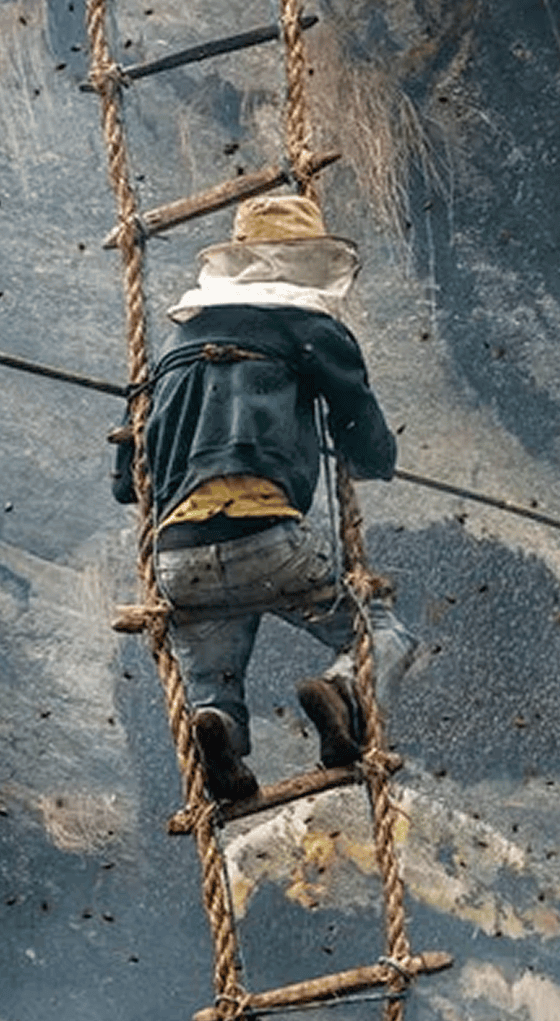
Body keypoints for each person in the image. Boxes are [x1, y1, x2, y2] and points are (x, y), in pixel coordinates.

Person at [112, 192, 414, 802]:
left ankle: (216, 730)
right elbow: (368, 443)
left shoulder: (172, 345)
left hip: (177, 558)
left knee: (211, 683)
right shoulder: (308, 327)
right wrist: (365, 454)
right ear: (307, 262)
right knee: (382, 633)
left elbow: (127, 484)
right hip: (265, 540)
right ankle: (342, 694)